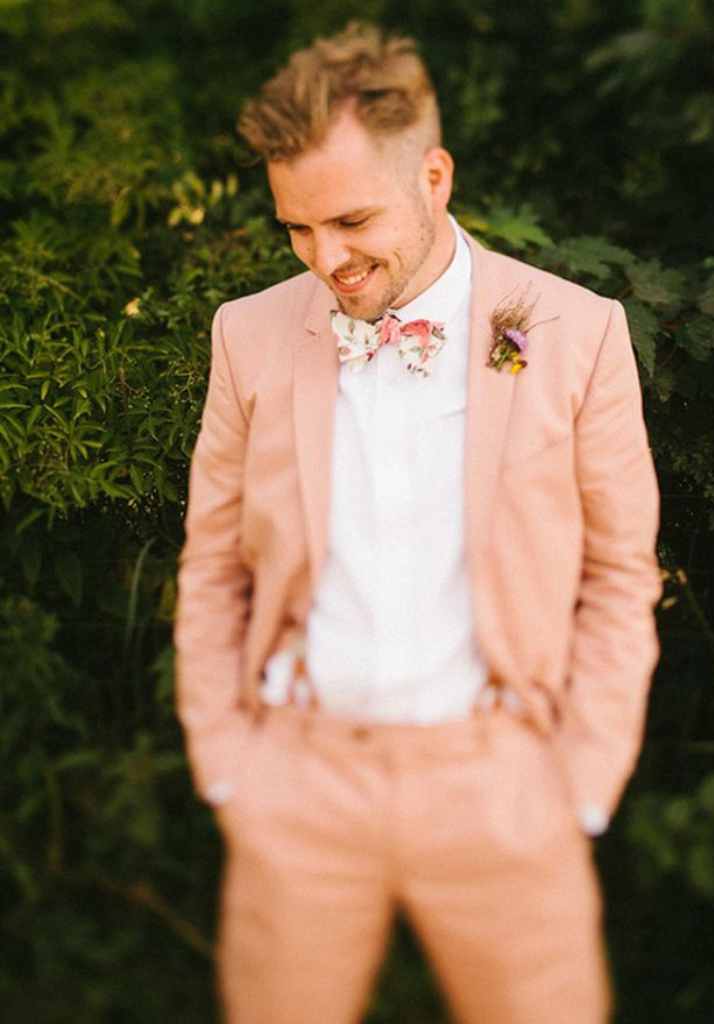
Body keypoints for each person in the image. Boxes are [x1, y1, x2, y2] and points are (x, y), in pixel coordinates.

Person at [174, 20, 661, 1024]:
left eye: (351, 220)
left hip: (502, 787)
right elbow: (213, 563)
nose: (326, 258)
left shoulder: (571, 332)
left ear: (433, 177)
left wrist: (577, 784)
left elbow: (620, 572)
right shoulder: (248, 334)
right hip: (298, 784)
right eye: (297, 228)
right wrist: (229, 767)